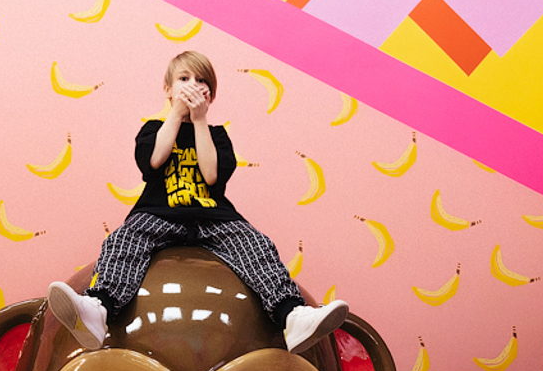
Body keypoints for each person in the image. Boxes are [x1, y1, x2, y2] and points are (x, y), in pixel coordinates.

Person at [47, 51, 347, 354]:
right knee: (124, 241)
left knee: (256, 246)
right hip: (159, 213)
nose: (193, 85)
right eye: (184, 78)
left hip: (213, 216)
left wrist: (200, 120)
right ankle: (98, 308)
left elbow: (211, 175)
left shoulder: (217, 135)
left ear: (211, 95)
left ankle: (292, 314)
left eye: (201, 81)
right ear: (168, 89)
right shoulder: (153, 129)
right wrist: (176, 115)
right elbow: (153, 161)